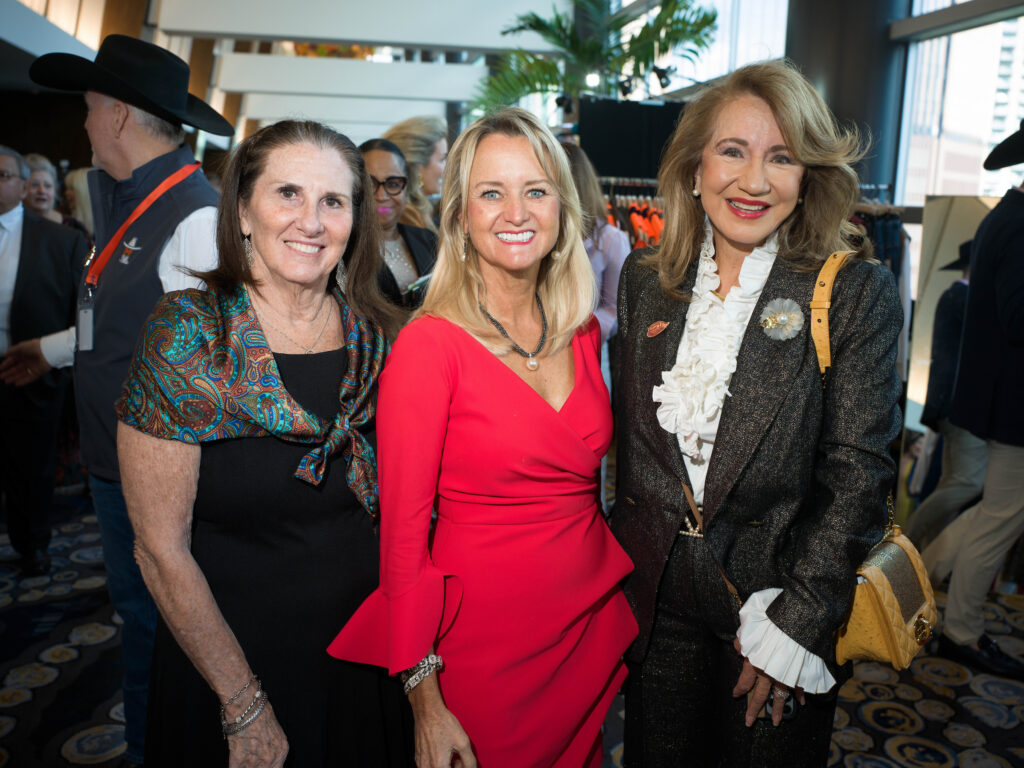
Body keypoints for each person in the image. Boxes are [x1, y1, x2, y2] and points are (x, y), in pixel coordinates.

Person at [611, 60, 902, 766]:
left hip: (772, 608)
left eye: (781, 157)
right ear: (693, 166)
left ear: (808, 177)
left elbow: (859, 478)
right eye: (732, 151)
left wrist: (797, 624)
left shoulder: (856, 292)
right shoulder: (647, 281)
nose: (752, 181)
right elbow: (633, 458)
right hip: (659, 609)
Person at [329, 106, 637, 768]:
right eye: (491, 193)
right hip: (485, 654)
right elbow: (402, 545)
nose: (515, 212)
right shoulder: (430, 346)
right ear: (460, 213)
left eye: (535, 190)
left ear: (561, 206)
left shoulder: (581, 329)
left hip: (583, 629)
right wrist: (425, 700)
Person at [116, 120, 411, 766]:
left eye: (333, 201)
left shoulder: (379, 339)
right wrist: (242, 702)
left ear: (355, 221)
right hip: (231, 668)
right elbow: (159, 550)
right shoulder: (188, 337)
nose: (311, 220)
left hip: (364, 664)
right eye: (288, 194)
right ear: (244, 210)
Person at [16, 34, 235, 766]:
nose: (82, 124)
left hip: (155, 481)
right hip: (118, 468)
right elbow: (113, 319)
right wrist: (47, 352)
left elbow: (214, 373)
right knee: (143, 625)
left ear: (115, 115)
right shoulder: (131, 202)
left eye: (87, 109)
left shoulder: (195, 216)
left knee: (158, 633)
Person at [923, 120, 1024, 680]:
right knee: (1000, 518)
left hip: (1003, 402)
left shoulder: (1005, 218)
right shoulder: (1018, 223)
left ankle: (916, 579)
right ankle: (960, 628)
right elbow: (1017, 317)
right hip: (1012, 406)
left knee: (994, 512)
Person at [0, 146, 88, 575]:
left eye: (3, 176)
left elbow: (84, 314)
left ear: (21, 184)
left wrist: (57, 361)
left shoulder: (61, 240)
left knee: (30, 467)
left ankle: (33, 544)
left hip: (33, 372)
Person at [904, 240, 985, 548]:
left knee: (955, 483)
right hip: (958, 405)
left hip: (952, 405)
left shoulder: (957, 297)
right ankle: (906, 550)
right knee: (967, 483)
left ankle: (920, 557)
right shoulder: (962, 299)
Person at [359, 138, 437, 307]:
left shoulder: (428, 240)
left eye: (393, 184)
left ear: (406, 187)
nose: (381, 196)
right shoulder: (343, 251)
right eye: (370, 184)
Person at [383, 115, 447, 232]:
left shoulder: (424, 211)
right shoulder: (407, 218)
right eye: (442, 160)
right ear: (418, 166)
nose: (446, 168)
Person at [22, 153, 91, 242]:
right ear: (21, 189)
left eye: (48, 186)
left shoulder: (74, 227)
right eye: (34, 185)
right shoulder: (12, 226)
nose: (42, 191)